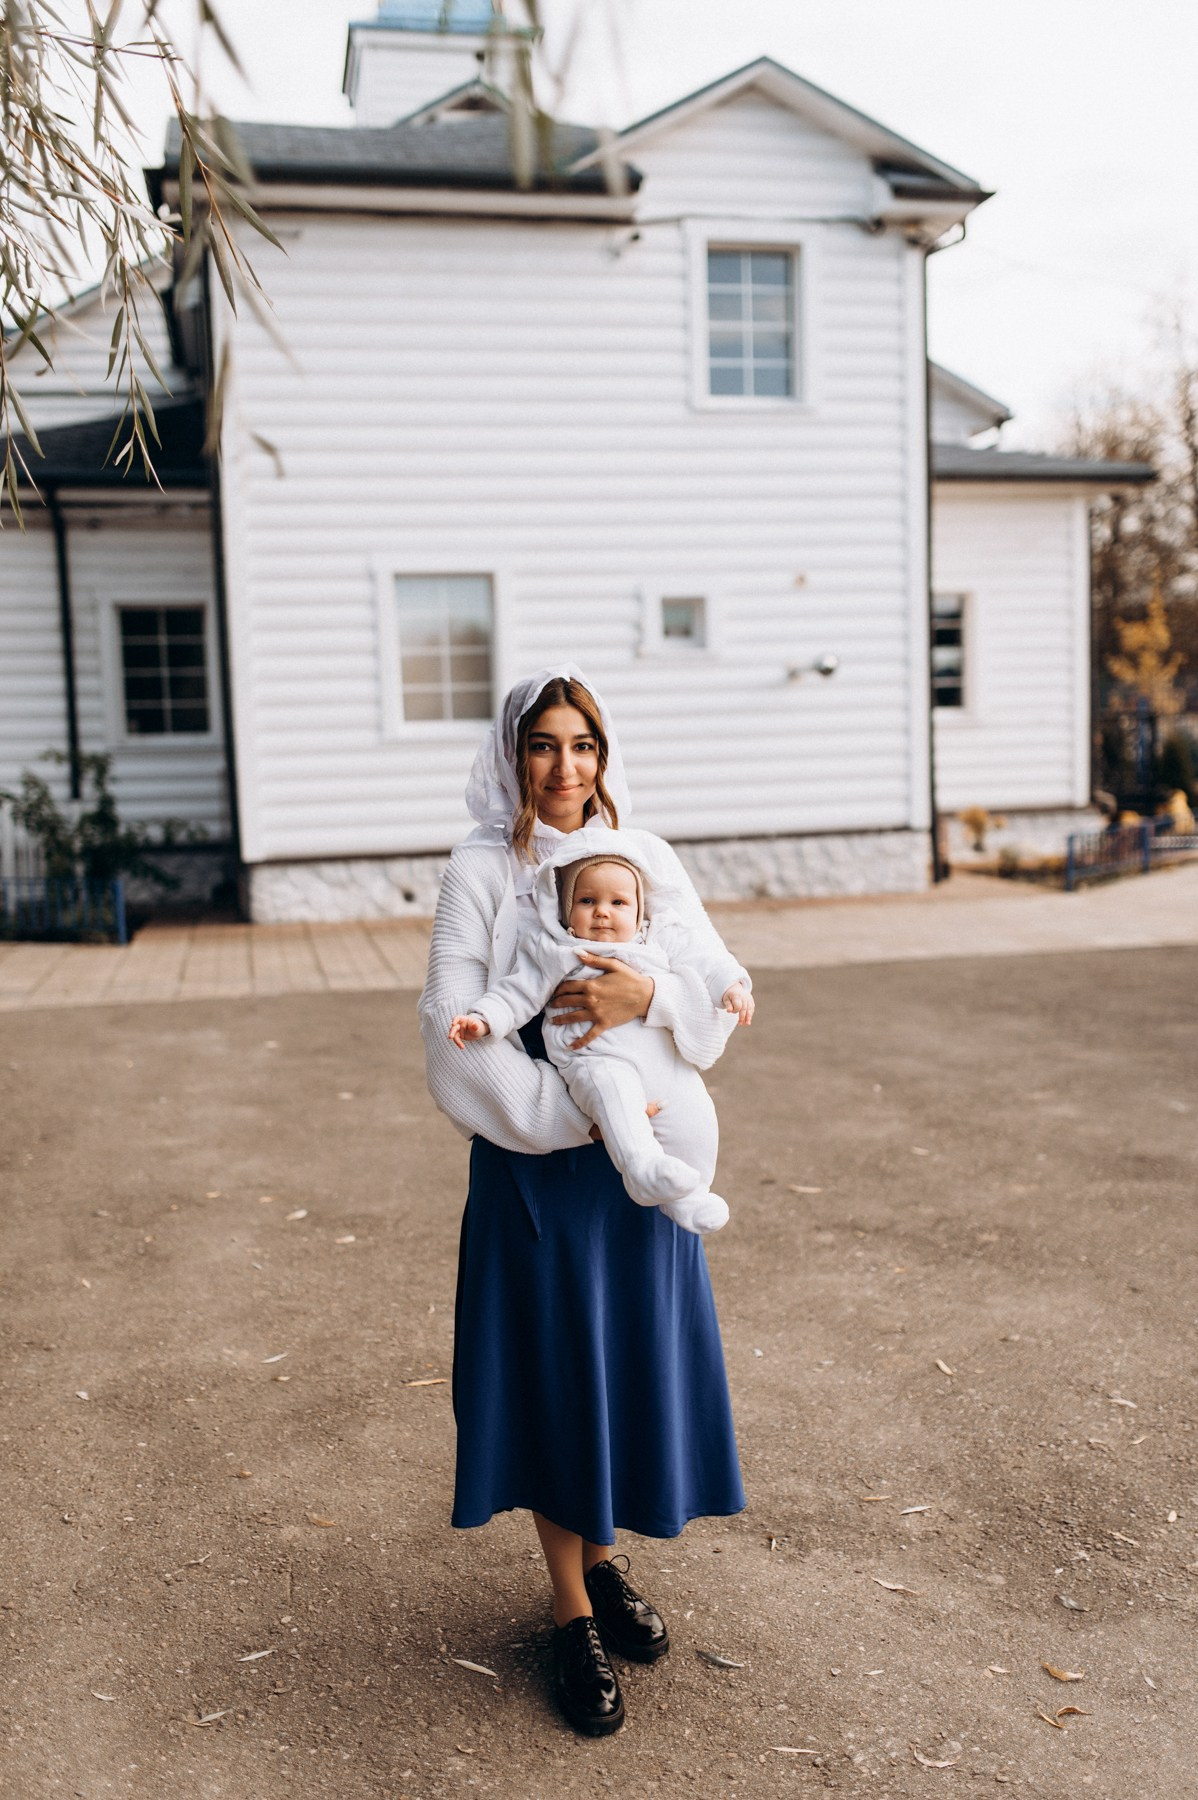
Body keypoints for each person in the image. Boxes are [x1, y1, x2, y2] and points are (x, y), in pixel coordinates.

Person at [418, 666, 747, 1738]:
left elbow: (707, 986)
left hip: (641, 1161)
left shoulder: (643, 854)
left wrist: (653, 994)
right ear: (512, 755)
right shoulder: (481, 868)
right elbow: (451, 1025)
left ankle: (600, 1566)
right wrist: (577, 1116)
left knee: (617, 1368)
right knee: (561, 1377)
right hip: (544, 1163)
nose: (566, 767)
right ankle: (570, 1612)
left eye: (584, 744)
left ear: (605, 753)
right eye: (544, 744)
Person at [445, 828, 754, 1235]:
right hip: (595, 1058)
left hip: (663, 1060)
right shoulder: (555, 949)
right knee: (615, 1095)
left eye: (618, 902)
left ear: (639, 908)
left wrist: (731, 985)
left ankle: (692, 1195)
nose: (602, 912)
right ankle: (641, 1168)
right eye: (587, 901)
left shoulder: (658, 936)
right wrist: (483, 1018)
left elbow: (705, 959)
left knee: (697, 1116)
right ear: (564, 908)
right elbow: (517, 992)